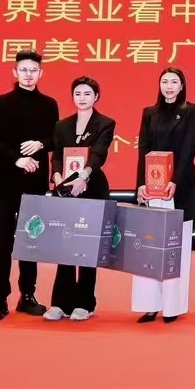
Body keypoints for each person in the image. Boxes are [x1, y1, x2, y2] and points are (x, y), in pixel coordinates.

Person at [0, 51, 60, 323]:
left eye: (33, 70)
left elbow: (56, 138)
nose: (28, 75)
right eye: (23, 70)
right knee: (3, 241)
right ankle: (0, 298)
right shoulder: (1, 103)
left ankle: (28, 295)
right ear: (15, 72)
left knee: (31, 239)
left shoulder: (49, 104)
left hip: (35, 181)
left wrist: (41, 144)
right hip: (5, 181)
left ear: (41, 73)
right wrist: (17, 158)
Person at [132, 68, 195, 324]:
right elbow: (143, 150)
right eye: (165, 81)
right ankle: (150, 305)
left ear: (182, 86)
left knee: (176, 250)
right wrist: (140, 185)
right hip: (152, 189)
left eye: (174, 81)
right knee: (149, 249)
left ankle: (172, 306)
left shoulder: (192, 111)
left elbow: (189, 148)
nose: (169, 86)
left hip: (178, 188)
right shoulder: (149, 113)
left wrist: (175, 181)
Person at [46, 76, 116, 323]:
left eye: (87, 93)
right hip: (65, 189)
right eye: (78, 93)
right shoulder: (62, 125)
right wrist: (57, 177)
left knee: (87, 247)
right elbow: (56, 155)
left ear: (96, 97)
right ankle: (60, 302)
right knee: (65, 245)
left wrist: (83, 177)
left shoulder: (105, 123)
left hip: (93, 187)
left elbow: (99, 154)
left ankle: (85, 302)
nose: (82, 98)